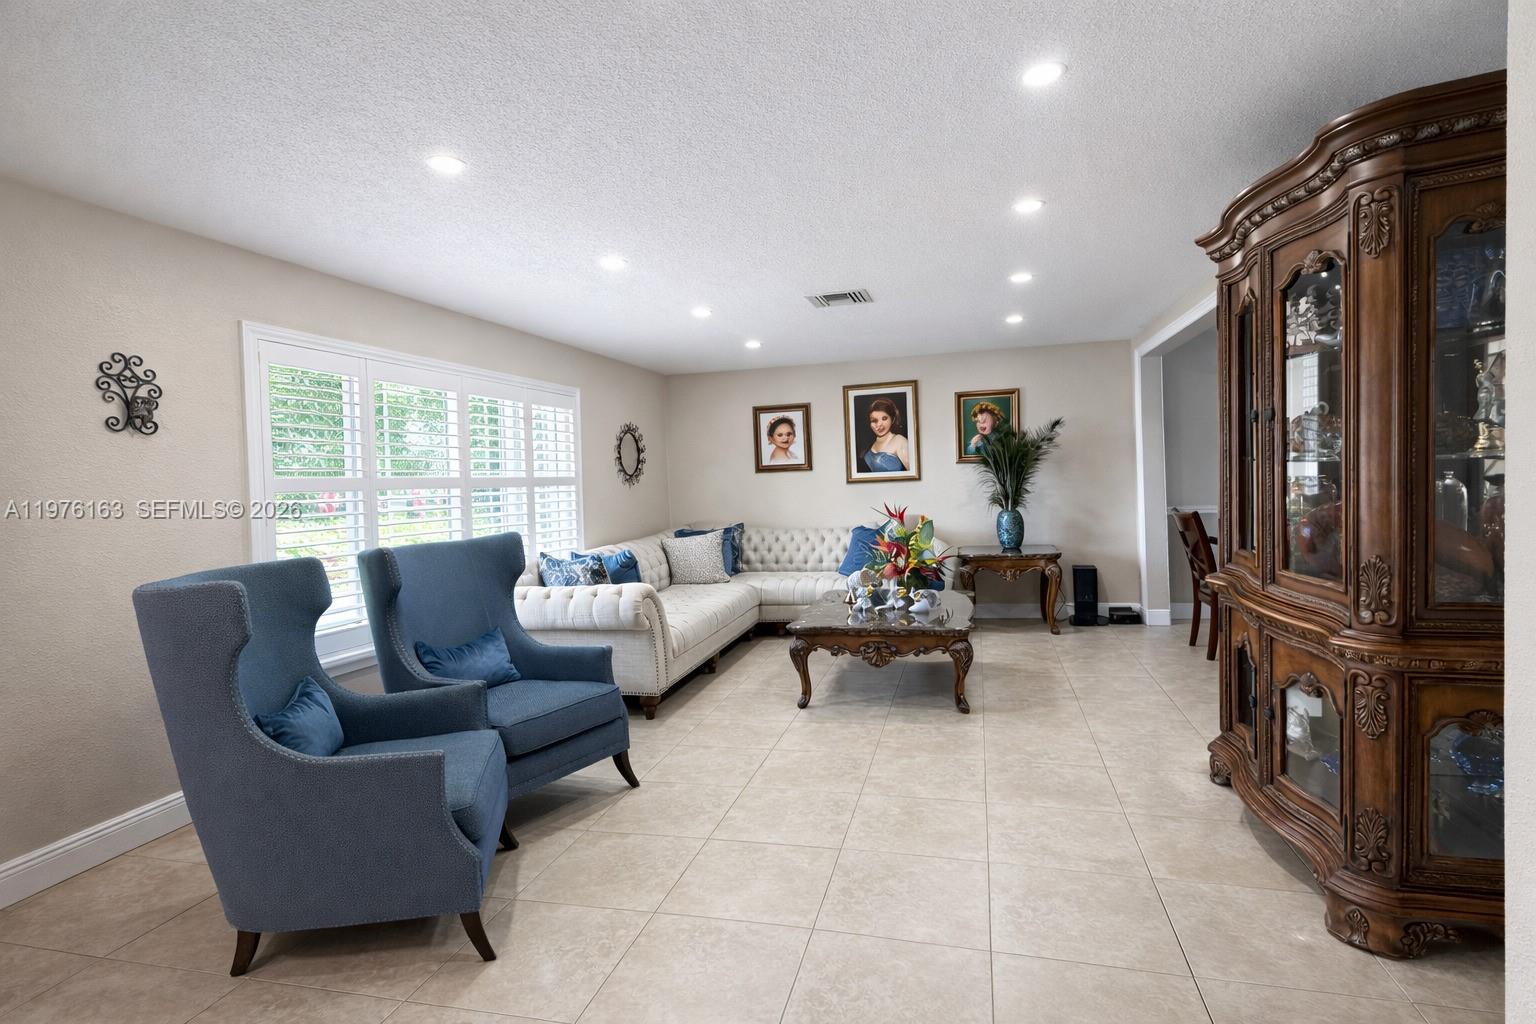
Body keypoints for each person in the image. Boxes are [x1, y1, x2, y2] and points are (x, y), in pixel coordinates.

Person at [862, 397, 910, 472]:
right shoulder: (869, 445)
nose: (879, 424)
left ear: (893, 419)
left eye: (884, 418)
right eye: (874, 420)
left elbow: (913, 474)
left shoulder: (899, 441)